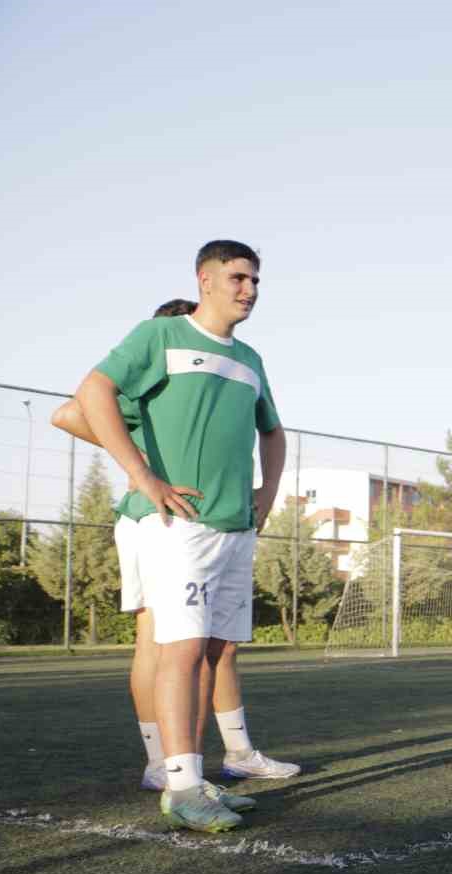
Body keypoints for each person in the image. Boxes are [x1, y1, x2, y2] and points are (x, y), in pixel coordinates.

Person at [71, 241, 287, 832]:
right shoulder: (160, 337)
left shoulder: (250, 358)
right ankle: (181, 785)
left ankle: (202, 778)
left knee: (214, 652)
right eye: (239, 277)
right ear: (206, 280)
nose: (250, 289)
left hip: (235, 527)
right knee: (180, 649)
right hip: (178, 524)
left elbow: (274, 431)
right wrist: (144, 475)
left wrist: (267, 494)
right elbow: (90, 395)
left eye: (256, 280)